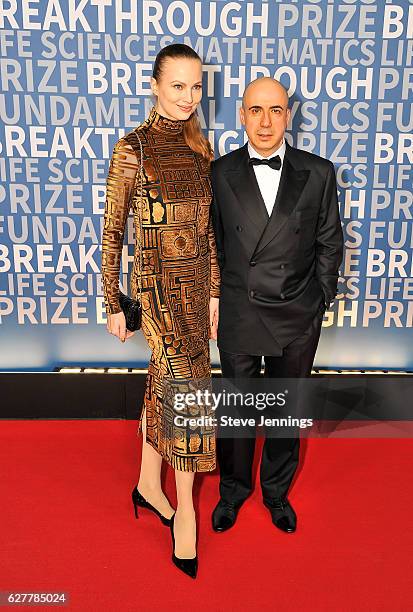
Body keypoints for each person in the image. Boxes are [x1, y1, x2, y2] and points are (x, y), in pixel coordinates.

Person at [101, 43, 220, 578]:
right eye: (178, 86)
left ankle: (150, 483)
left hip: (195, 291)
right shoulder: (133, 150)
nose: (188, 98)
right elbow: (112, 232)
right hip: (154, 295)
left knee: (163, 384)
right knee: (189, 391)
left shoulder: (202, 149)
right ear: (154, 85)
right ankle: (186, 511)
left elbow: (207, 232)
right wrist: (112, 300)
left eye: (196, 87)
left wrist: (214, 291)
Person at [210, 77, 343, 533]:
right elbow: (217, 244)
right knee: (238, 409)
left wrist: (318, 298)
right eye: (255, 110)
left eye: (276, 110)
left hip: (296, 313)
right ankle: (233, 491)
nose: (265, 122)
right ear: (242, 115)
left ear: (289, 115)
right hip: (240, 309)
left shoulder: (319, 171)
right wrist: (223, 293)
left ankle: (276, 493)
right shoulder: (220, 172)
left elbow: (329, 241)